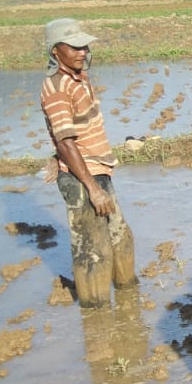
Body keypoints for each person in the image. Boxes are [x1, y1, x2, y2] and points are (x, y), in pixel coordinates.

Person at [39, 17, 137, 307]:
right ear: (56, 51)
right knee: (92, 249)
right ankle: (96, 319)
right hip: (83, 178)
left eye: (84, 46)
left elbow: (67, 137)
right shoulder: (57, 88)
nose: (82, 52)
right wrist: (92, 188)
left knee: (119, 236)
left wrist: (59, 155)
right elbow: (67, 141)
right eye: (75, 47)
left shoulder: (78, 77)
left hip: (97, 169)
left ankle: (129, 297)